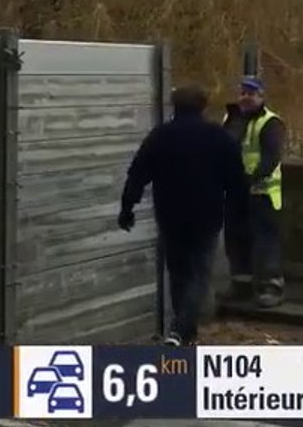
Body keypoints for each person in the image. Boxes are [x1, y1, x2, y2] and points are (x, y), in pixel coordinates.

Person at [117, 85, 248, 347]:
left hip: (170, 216)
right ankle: (181, 329)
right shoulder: (218, 138)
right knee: (199, 273)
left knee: (178, 273)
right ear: (203, 106)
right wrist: (239, 214)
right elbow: (237, 180)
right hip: (206, 216)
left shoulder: (160, 136)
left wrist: (127, 208)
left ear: (174, 106)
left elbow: (138, 173)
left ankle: (184, 333)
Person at [220, 76, 286, 309]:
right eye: (243, 92)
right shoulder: (232, 118)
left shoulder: (270, 122)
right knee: (236, 240)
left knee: (264, 241)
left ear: (261, 96)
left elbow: (271, 157)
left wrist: (251, 178)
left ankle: (271, 287)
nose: (246, 97)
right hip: (236, 193)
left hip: (262, 193)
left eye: (252, 93)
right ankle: (242, 285)